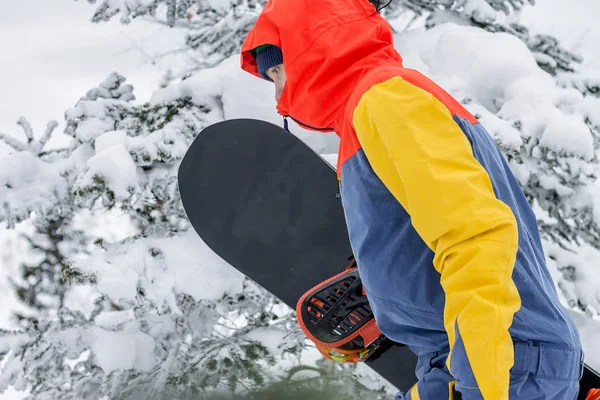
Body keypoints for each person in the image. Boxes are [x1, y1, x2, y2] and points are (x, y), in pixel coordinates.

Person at [239, 0, 585, 398]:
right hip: (465, 358)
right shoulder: (372, 108)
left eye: (276, 74)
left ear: (304, 55)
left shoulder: (386, 101)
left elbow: (475, 237)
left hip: (500, 363)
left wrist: (480, 382)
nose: (279, 95)